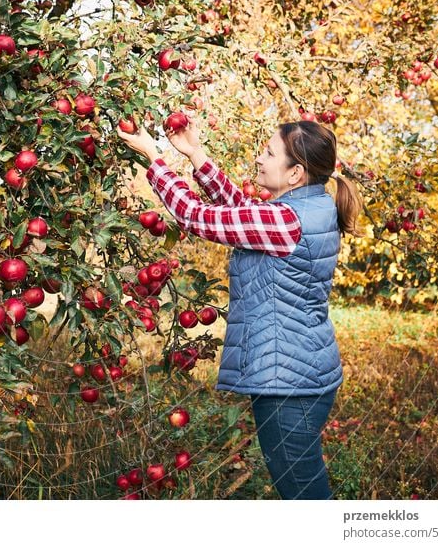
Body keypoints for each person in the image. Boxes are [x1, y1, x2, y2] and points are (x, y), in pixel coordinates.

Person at [117, 116, 363, 499]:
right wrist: (195, 154)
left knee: (305, 496)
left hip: (288, 384)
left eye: (269, 153)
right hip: (304, 371)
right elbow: (243, 210)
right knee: (304, 489)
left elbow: (195, 217)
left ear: (296, 173)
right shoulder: (311, 207)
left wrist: (153, 156)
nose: (259, 158)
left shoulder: (286, 220)